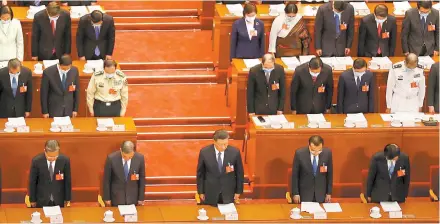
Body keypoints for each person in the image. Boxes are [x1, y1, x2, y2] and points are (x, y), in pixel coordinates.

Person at [196, 129, 244, 206]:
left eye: (226, 144)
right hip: (210, 192)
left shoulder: (235, 152)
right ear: (214, 142)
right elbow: (200, 174)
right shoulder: (204, 152)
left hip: (228, 192)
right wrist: (201, 192)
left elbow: (239, 173)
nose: (224, 147)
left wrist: (238, 191)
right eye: (221, 144)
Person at [28, 140, 72, 208]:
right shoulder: (36, 161)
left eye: (55, 156)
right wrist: (32, 200)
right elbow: (32, 182)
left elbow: (67, 181)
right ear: (45, 151)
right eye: (50, 157)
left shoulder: (65, 161)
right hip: (41, 200)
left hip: (59, 200)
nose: (53, 159)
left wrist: (67, 198)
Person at [291, 135, 333, 203]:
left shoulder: (327, 153)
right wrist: (295, 193)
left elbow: (330, 174)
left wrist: (329, 193)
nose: (316, 153)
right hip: (304, 194)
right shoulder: (299, 154)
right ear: (309, 145)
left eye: (319, 150)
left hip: (321, 195)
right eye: (313, 151)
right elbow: (295, 176)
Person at [103, 141, 145, 207]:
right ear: (120, 150)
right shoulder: (111, 159)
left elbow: (142, 179)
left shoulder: (140, 158)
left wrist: (141, 198)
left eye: (130, 157)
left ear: (133, 152)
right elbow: (106, 180)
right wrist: (107, 198)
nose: (127, 159)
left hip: (133, 199)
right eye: (124, 156)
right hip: (116, 198)